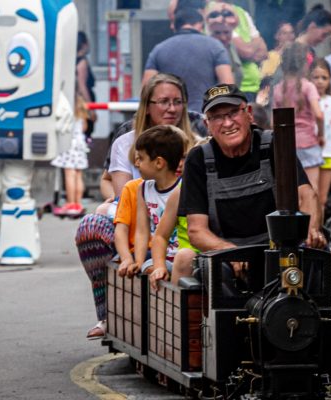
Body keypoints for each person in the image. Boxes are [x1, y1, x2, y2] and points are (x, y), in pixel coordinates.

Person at [78, 73, 196, 340]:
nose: (171, 108)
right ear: (148, 105)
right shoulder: (127, 143)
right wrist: (134, 256)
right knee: (93, 223)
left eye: (178, 101)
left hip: (182, 227)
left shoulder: (196, 142)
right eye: (164, 101)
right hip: (139, 220)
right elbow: (125, 200)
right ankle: (107, 314)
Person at [178, 83, 326, 264]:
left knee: (313, 263)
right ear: (206, 124)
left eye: (233, 113)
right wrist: (229, 253)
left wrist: (309, 232)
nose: (227, 123)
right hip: (227, 258)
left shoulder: (273, 144)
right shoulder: (198, 159)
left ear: (248, 113)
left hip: (279, 251)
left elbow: (306, 194)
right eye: (216, 117)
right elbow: (196, 231)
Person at [122, 125, 185, 279]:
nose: (137, 164)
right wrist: (138, 260)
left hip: (182, 256)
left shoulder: (183, 189)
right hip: (158, 256)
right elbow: (142, 231)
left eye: (141, 158)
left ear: (158, 163)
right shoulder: (143, 188)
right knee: (147, 269)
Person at [142, 8, 234, 112]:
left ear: (175, 27)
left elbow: (146, 89)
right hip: (204, 116)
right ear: (200, 24)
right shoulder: (215, 46)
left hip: (171, 116)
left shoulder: (158, 49)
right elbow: (228, 86)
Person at [272, 42, 324, 190]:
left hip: (287, 145)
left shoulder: (277, 89)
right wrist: (321, 134)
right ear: (303, 65)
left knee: (291, 191)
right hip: (308, 142)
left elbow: (273, 122)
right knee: (312, 190)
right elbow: (319, 115)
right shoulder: (308, 86)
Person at [205, 0, 268, 102]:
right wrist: (252, 48)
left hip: (253, 87)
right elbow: (247, 52)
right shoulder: (214, 12)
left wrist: (250, 49)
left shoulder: (241, 12)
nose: (224, 37)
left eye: (227, 33)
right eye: (219, 33)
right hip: (231, 92)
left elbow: (263, 52)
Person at [51, 93, 90, 216]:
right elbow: (84, 128)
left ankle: (70, 203)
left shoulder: (66, 110)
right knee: (78, 175)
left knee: (69, 174)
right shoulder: (81, 112)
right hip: (80, 145)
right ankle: (78, 203)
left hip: (69, 143)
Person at [312, 59, 331, 215]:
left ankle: (319, 233)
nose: (320, 81)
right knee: (311, 195)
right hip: (311, 152)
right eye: (316, 77)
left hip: (329, 152)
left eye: (324, 78)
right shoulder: (308, 100)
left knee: (322, 198)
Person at [76, 31, 96, 137]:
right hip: (82, 103)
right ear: (84, 44)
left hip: (77, 102)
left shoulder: (72, 60)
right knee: (85, 131)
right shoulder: (82, 62)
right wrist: (91, 109)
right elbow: (82, 86)